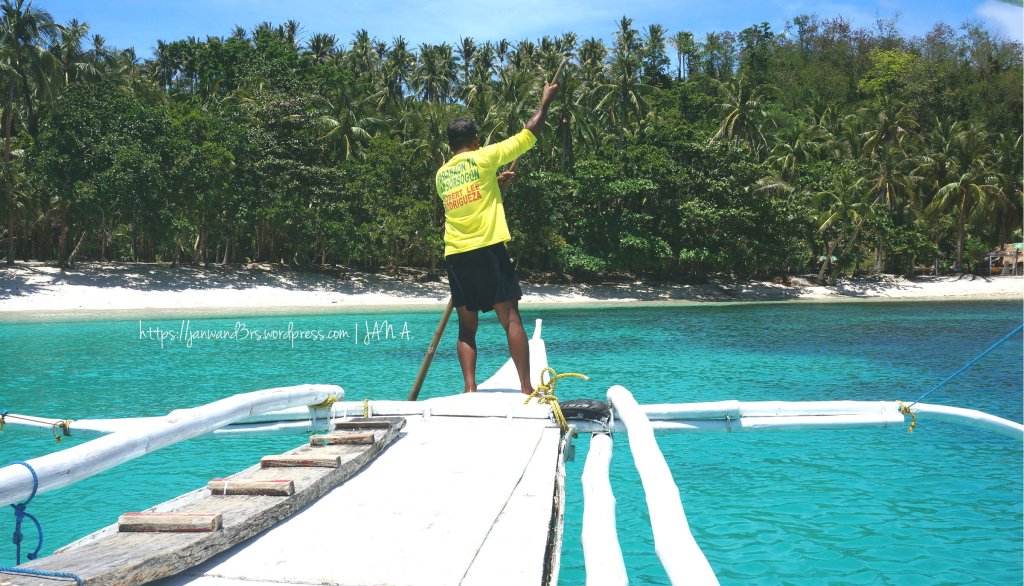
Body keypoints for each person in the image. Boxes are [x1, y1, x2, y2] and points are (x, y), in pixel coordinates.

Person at [435, 81, 559, 394]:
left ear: (451, 145)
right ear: (475, 140)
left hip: (456, 253)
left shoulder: (442, 175)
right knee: (511, 319)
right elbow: (528, 134)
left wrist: (497, 179)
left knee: (466, 328)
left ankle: (469, 389)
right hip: (489, 250)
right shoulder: (484, 157)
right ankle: (527, 387)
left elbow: (468, 193)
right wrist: (544, 102)